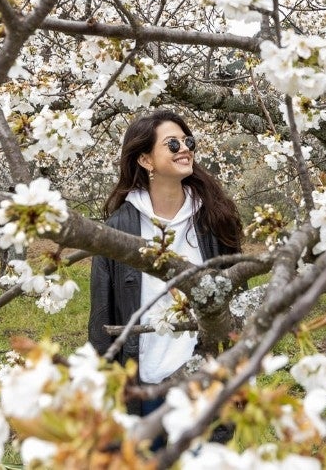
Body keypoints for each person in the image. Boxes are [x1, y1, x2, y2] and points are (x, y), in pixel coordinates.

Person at [88, 109, 243, 419]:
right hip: (148, 385)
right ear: (146, 160)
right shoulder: (119, 229)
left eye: (188, 141)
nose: (185, 149)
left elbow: (239, 300)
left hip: (205, 380)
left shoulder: (214, 218)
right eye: (172, 144)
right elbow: (102, 316)